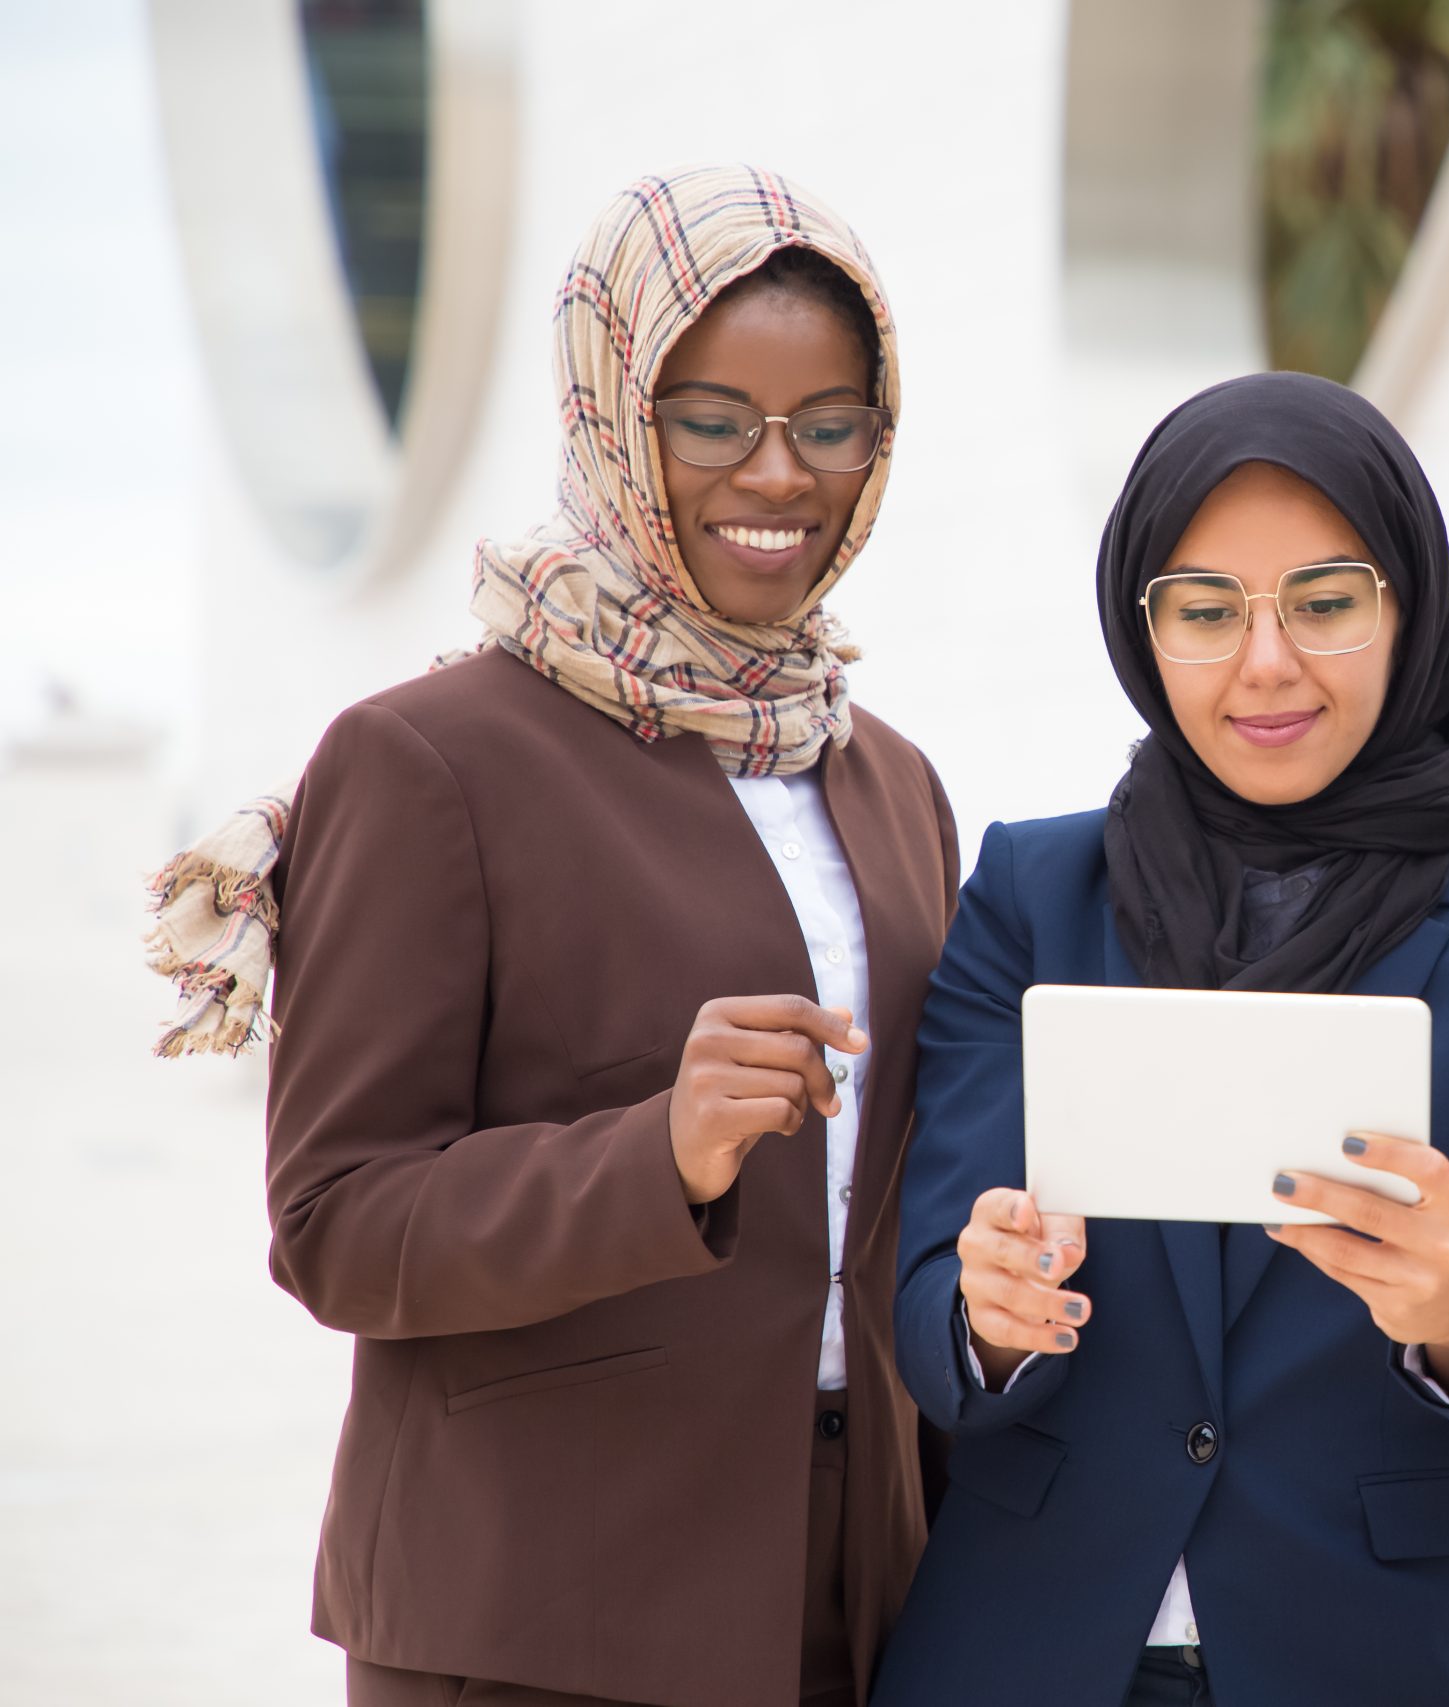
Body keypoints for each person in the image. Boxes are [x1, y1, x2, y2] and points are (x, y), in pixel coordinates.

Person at [145, 167, 956, 1706]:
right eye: (712, 420)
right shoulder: (429, 761)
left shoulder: (891, 781)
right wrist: (657, 1157)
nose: (777, 475)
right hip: (543, 1615)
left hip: (853, 1600)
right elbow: (335, 1222)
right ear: (615, 421)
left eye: (829, 425)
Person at [871, 372, 1449, 1707]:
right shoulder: (1032, 896)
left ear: (1406, 606)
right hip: (1031, 1647)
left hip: (1389, 1660)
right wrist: (984, 1314)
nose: (1265, 663)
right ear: (1141, 627)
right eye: (1206, 612)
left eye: (1326, 603)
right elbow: (932, 1307)